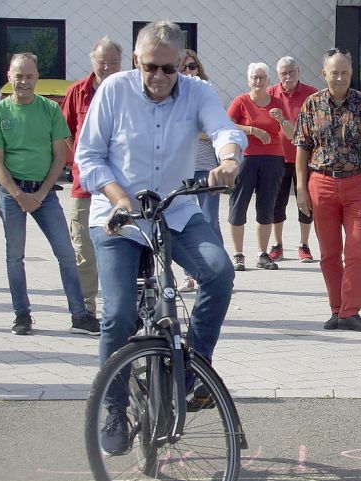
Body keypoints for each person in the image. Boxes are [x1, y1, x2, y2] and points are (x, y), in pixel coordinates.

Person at [74, 20, 245, 455]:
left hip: (175, 209)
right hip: (120, 216)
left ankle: (191, 373)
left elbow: (225, 129)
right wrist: (119, 200)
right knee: (117, 314)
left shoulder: (195, 91)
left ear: (182, 64)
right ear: (136, 61)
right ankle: (113, 407)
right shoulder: (113, 91)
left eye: (170, 69)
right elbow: (89, 158)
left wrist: (228, 159)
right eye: (151, 67)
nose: (160, 77)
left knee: (220, 273)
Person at [0, 52, 100, 336]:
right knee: (15, 257)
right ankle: (21, 315)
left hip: (44, 194)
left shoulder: (49, 109)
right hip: (11, 193)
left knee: (65, 254)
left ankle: (79, 315)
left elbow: (59, 155)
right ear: (9, 76)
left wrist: (39, 194)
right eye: (18, 76)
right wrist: (18, 194)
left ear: (37, 78)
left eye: (29, 76)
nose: (23, 81)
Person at [294, 48, 361, 333]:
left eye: (344, 73)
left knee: (357, 251)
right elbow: (302, 147)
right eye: (334, 73)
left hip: (358, 185)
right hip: (320, 184)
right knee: (329, 254)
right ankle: (336, 309)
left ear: (351, 73)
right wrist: (300, 188)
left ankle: (351, 311)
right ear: (324, 74)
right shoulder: (311, 105)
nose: (339, 78)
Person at [62, 37, 123, 318]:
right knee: (84, 254)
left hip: (123, 188)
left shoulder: (130, 90)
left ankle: (120, 310)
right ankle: (85, 310)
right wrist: (82, 162)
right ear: (92, 61)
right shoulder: (77, 92)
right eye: (102, 62)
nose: (107, 67)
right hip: (85, 187)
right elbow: (65, 135)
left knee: (120, 253)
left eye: (113, 62)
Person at [227, 62, 289, 271]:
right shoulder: (241, 101)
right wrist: (252, 130)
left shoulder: (277, 103)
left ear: (269, 81)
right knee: (238, 205)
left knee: (266, 206)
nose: (258, 81)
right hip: (247, 158)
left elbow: (290, 133)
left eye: (262, 77)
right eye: (254, 77)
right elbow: (226, 124)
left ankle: (262, 253)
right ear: (248, 80)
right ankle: (237, 254)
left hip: (273, 159)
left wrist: (282, 120)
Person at [267, 56, 318, 263]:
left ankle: (304, 244)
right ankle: (277, 244)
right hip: (276, 157)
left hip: (304, 157)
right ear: (278, 75)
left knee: (305, 202)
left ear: (298, 71)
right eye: (283, 73)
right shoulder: (269, 94)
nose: (288, 77)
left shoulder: (311, 94)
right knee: (276, 204)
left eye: (291, 72)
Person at [178, 48, 220, 292]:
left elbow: (213, 127)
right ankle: (189, 275)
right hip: (181, 169)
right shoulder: (171, 93)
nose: (188, 71)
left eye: (192, 66)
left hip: (206, 167)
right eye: (182, 67)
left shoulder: (206, 91)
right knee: (181, 222)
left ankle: (217, 269)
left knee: (210, 221)